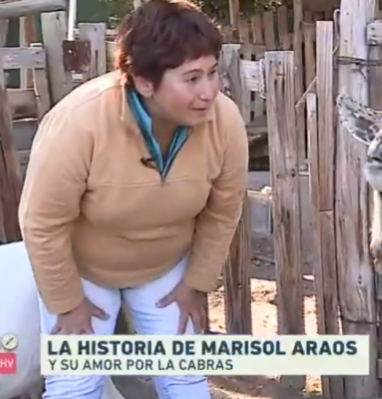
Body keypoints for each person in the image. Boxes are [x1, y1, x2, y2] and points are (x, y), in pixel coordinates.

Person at [18, 0, 249, 397]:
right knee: (75, 382)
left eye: (212, 73)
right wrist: (67, 302)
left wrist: (196, 281)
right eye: (191, 78)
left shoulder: (224, 123)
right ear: (144, 81)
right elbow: (41, 222)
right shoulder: (79, 122)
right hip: (84, 268)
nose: (209, 92)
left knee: (184, 376)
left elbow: (223, 210)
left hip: (164, 267)